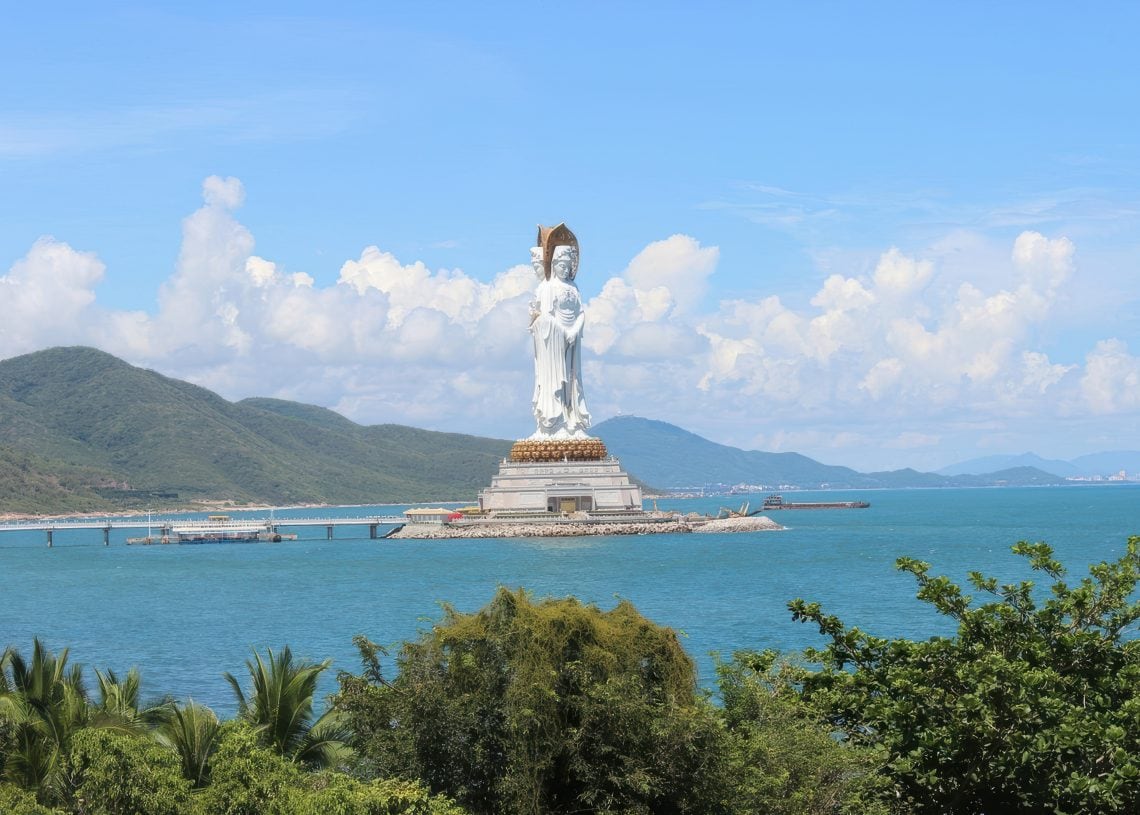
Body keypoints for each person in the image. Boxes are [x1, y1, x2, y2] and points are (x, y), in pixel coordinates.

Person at [530, 244, 591, 439]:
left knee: (573, 380)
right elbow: (545, 317)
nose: (565, 270)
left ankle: (573, 420)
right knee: (555, 378)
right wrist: (562, 331)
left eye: (568, 267)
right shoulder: (548, 287)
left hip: (573, 338)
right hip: (554, 340)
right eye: (562, 265)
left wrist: (574, 330)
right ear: (554, 264)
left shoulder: (573, 287)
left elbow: (581, 312)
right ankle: (554, 422)